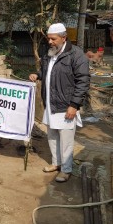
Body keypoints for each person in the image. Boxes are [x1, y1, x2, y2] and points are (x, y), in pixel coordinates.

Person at [29, 23, 90, 183]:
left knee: (66, 140)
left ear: (64, 38)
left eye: (53, 39)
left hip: (66, 105)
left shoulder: (76, 55)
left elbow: (83, 82)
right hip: (50, 103)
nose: (50, 42)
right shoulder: (49, 53)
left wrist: (74, 105)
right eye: (48, 38)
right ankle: (56, 163)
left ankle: (66, 169)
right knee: (52, 136)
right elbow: (46, 72)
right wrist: (37, 75)